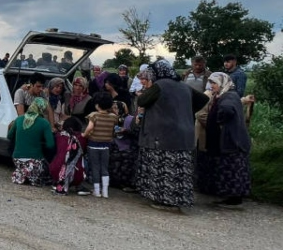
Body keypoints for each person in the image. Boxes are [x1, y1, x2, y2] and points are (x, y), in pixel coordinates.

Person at [134, 59, 209, 211]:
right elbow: (204, 98)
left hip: (163, 135)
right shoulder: (183, 86)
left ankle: (164, 201)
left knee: (163, 169)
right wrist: (185, 109)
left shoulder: (159, 86)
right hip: (184, 135)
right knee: (179, 170)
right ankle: (179, 201)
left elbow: (142, 100)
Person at [204, 72, 252, 209]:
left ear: (222, 83)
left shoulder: (227, 97)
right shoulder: (231, 94)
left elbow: (227, 110)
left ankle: (233, 199)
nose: (211, 86)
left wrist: (220, 121)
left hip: (232, 139)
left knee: (232, 169)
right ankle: (234, 197)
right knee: (235, 168)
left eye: (214, 83)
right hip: (234, 139)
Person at [8, 97, 55, 186]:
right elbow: (50, 145)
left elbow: (9, 136)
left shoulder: (19, 119)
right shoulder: (44, 123)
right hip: (34, 162)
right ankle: (33, 175)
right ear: (42, 108)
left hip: (17, 159)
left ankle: (22, 173)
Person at [83, 93, 118, 198]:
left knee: (95, 167)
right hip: (106, 145)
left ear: (97, 105)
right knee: (104, 168)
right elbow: (115, 126)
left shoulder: (94, 115)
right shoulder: (113, 117)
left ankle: (97, 191)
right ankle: (105, 191)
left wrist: (84, 134)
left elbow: (89, 128)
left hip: (93, 144)